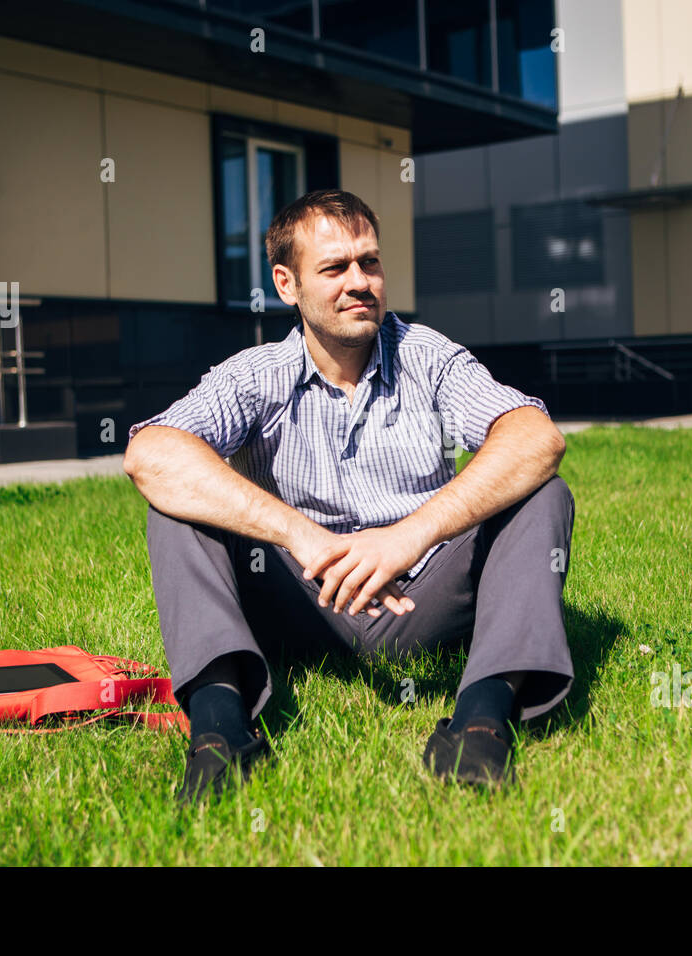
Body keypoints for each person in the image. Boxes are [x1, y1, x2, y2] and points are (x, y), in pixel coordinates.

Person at [123, 189, 575, 804]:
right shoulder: (253, 376)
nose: (359, 282)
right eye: (335, 268)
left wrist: (408, 536)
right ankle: (221, 730)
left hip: (420, 601)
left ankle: (480, 721)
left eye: (370, 263)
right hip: (297, 602)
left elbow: (535, 437)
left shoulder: (429, 357)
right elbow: (150, 453)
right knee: (178, 508)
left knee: (542, 495)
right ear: (287, 284)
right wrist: (301, 535)